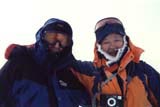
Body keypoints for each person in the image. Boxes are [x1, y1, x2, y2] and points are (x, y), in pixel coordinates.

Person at [0, 18, 90, 107]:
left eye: (63, 41)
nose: (57, 44)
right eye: (52, 38)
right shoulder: (20, 62)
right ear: (42, 36)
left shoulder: (72, 71)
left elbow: (95, 96)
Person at [71, 17, 160, 107]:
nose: (112, 46)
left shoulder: (142, 69)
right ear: (99, 46)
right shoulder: (89, 71)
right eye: (106, 42)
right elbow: (64, 63)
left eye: (117, 40)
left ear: (125, 41)